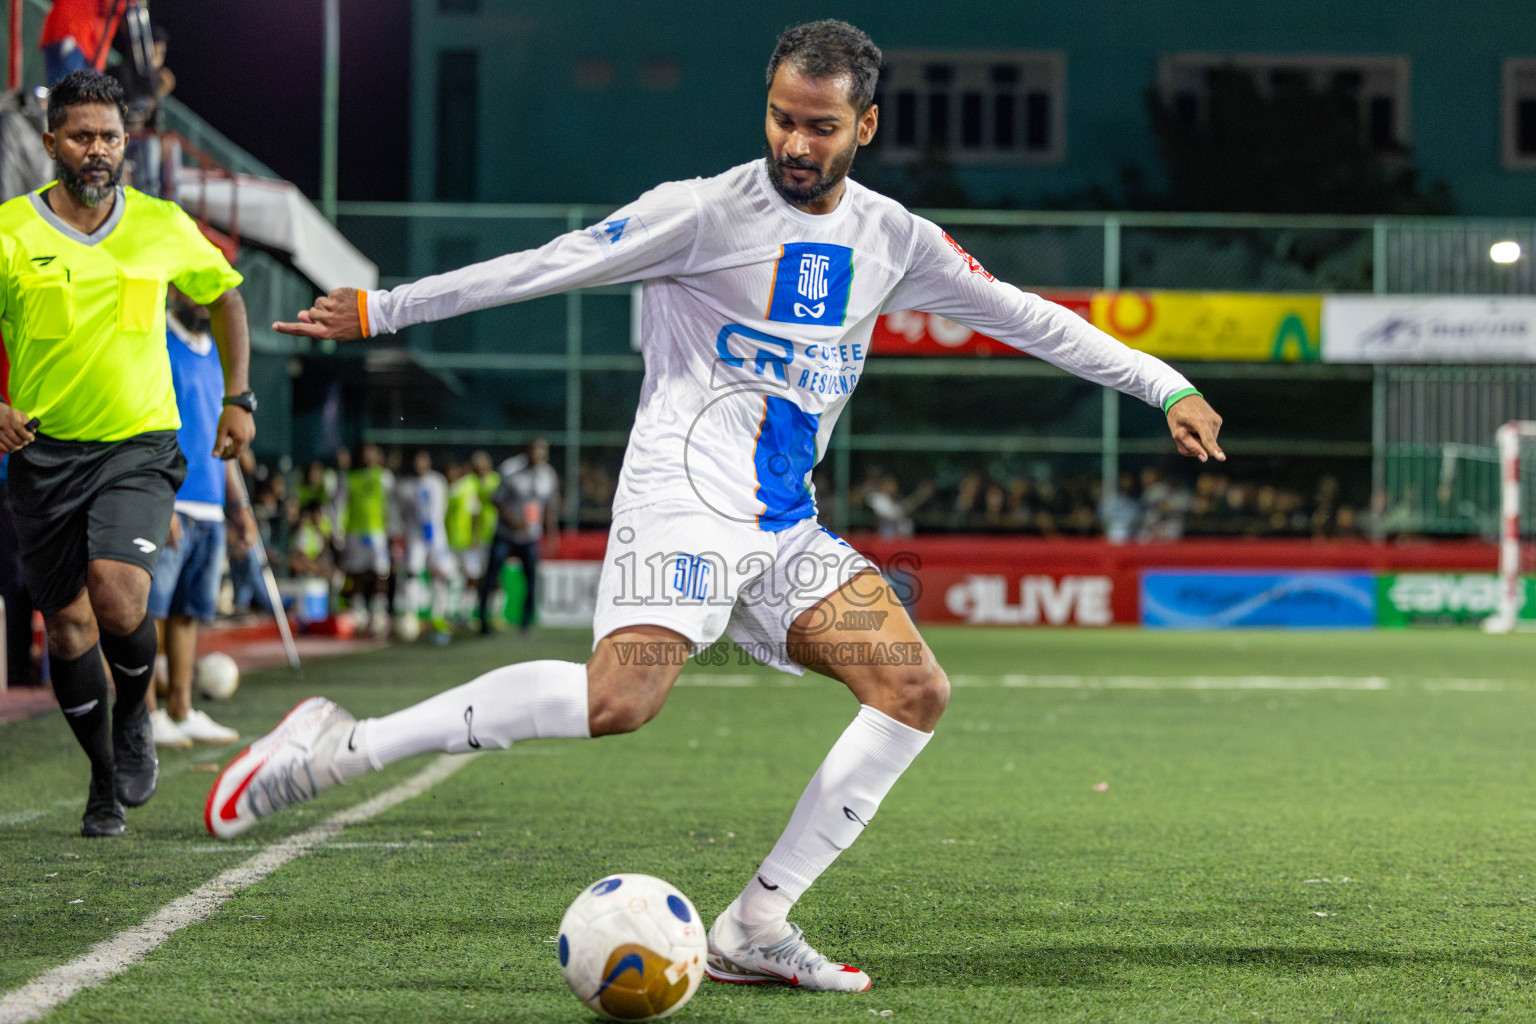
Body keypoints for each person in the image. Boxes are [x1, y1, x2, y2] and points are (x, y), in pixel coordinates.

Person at [225, 20, 1222, 991]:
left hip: (783, 521)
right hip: (683, 501)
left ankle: (756, 923)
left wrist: (1163, 385)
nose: (795, 142)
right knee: (619, 701)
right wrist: (385, 306)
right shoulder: (701, 212)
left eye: (820, 126)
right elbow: (554, 262)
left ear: (864, 127)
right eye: (782, 117)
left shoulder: (895, 238)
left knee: (913, 688)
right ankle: (342, 744)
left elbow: (1026, 318)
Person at [0, 71, 253, 836]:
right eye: (81, 135)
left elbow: (225, 297)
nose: (98, 149)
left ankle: (137, 713)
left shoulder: (161, 223)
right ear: (51, 144)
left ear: (125, 143)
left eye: (110, 136)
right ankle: (104, 778)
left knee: (118, 594)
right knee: (70, 628)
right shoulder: (10, 229)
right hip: (43, 455)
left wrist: (239, 399)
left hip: (138, 445)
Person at [145, 296, 250, 748]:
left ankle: (181, 710)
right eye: (196, 287)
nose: (206, 300)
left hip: (209, 504)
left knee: (189, 613)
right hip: (173, 500)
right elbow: (146, 426)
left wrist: (239, 507)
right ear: (175, 289)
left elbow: (223, 437)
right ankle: (144, 716)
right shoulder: (158, 343)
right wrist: (158, 497)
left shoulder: (219, 357)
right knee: (151, 614)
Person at [478, 438, 558, 634]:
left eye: (543, 451)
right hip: (506, 533)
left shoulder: (547, 475)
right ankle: (482, 620)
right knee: (492, 575)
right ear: (527, 451)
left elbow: (549, 506)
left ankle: (525, 622)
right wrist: (513, 521)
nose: (539, 455)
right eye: (536, 450)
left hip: (530, 535)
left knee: (531, 578)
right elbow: (495, 499)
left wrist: (552, 533)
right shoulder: (510, 469)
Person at [339, 442, 394, 635]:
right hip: (355, 531)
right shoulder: (351, 478)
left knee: (380, 572)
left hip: (377, 532)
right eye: (365, 452)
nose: (368, 455)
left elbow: (391, 505)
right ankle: (358, 610)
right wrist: (339, 530)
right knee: (356, 572)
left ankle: (378, 611)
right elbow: (342, 504)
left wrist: (393, 530)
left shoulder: (384, 477)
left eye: (373, 452)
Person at [395, 449, 451, 635]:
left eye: (423, 461)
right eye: (417, 461)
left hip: (436, 535)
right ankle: (412, 614)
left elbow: (444, 507)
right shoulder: (406, 487)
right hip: (415, 536)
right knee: (413, 572)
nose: (420, 465)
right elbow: (401, 513)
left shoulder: (437, 481)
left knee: (439, 574)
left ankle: (439, 614)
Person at [39, 0, 127, 85]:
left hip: (57, 31)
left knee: (58, 92)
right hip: (78, 40)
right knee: (69, 96)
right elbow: (110, 6)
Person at [443, 459, 482, 627]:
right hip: (450, 542)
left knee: (472, 576)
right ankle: (452, 612)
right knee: (453, 578)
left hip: (467, 541)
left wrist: (474, 537)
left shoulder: (468, 487)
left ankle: (467, 611)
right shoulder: (446, 491)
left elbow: (476, 514)